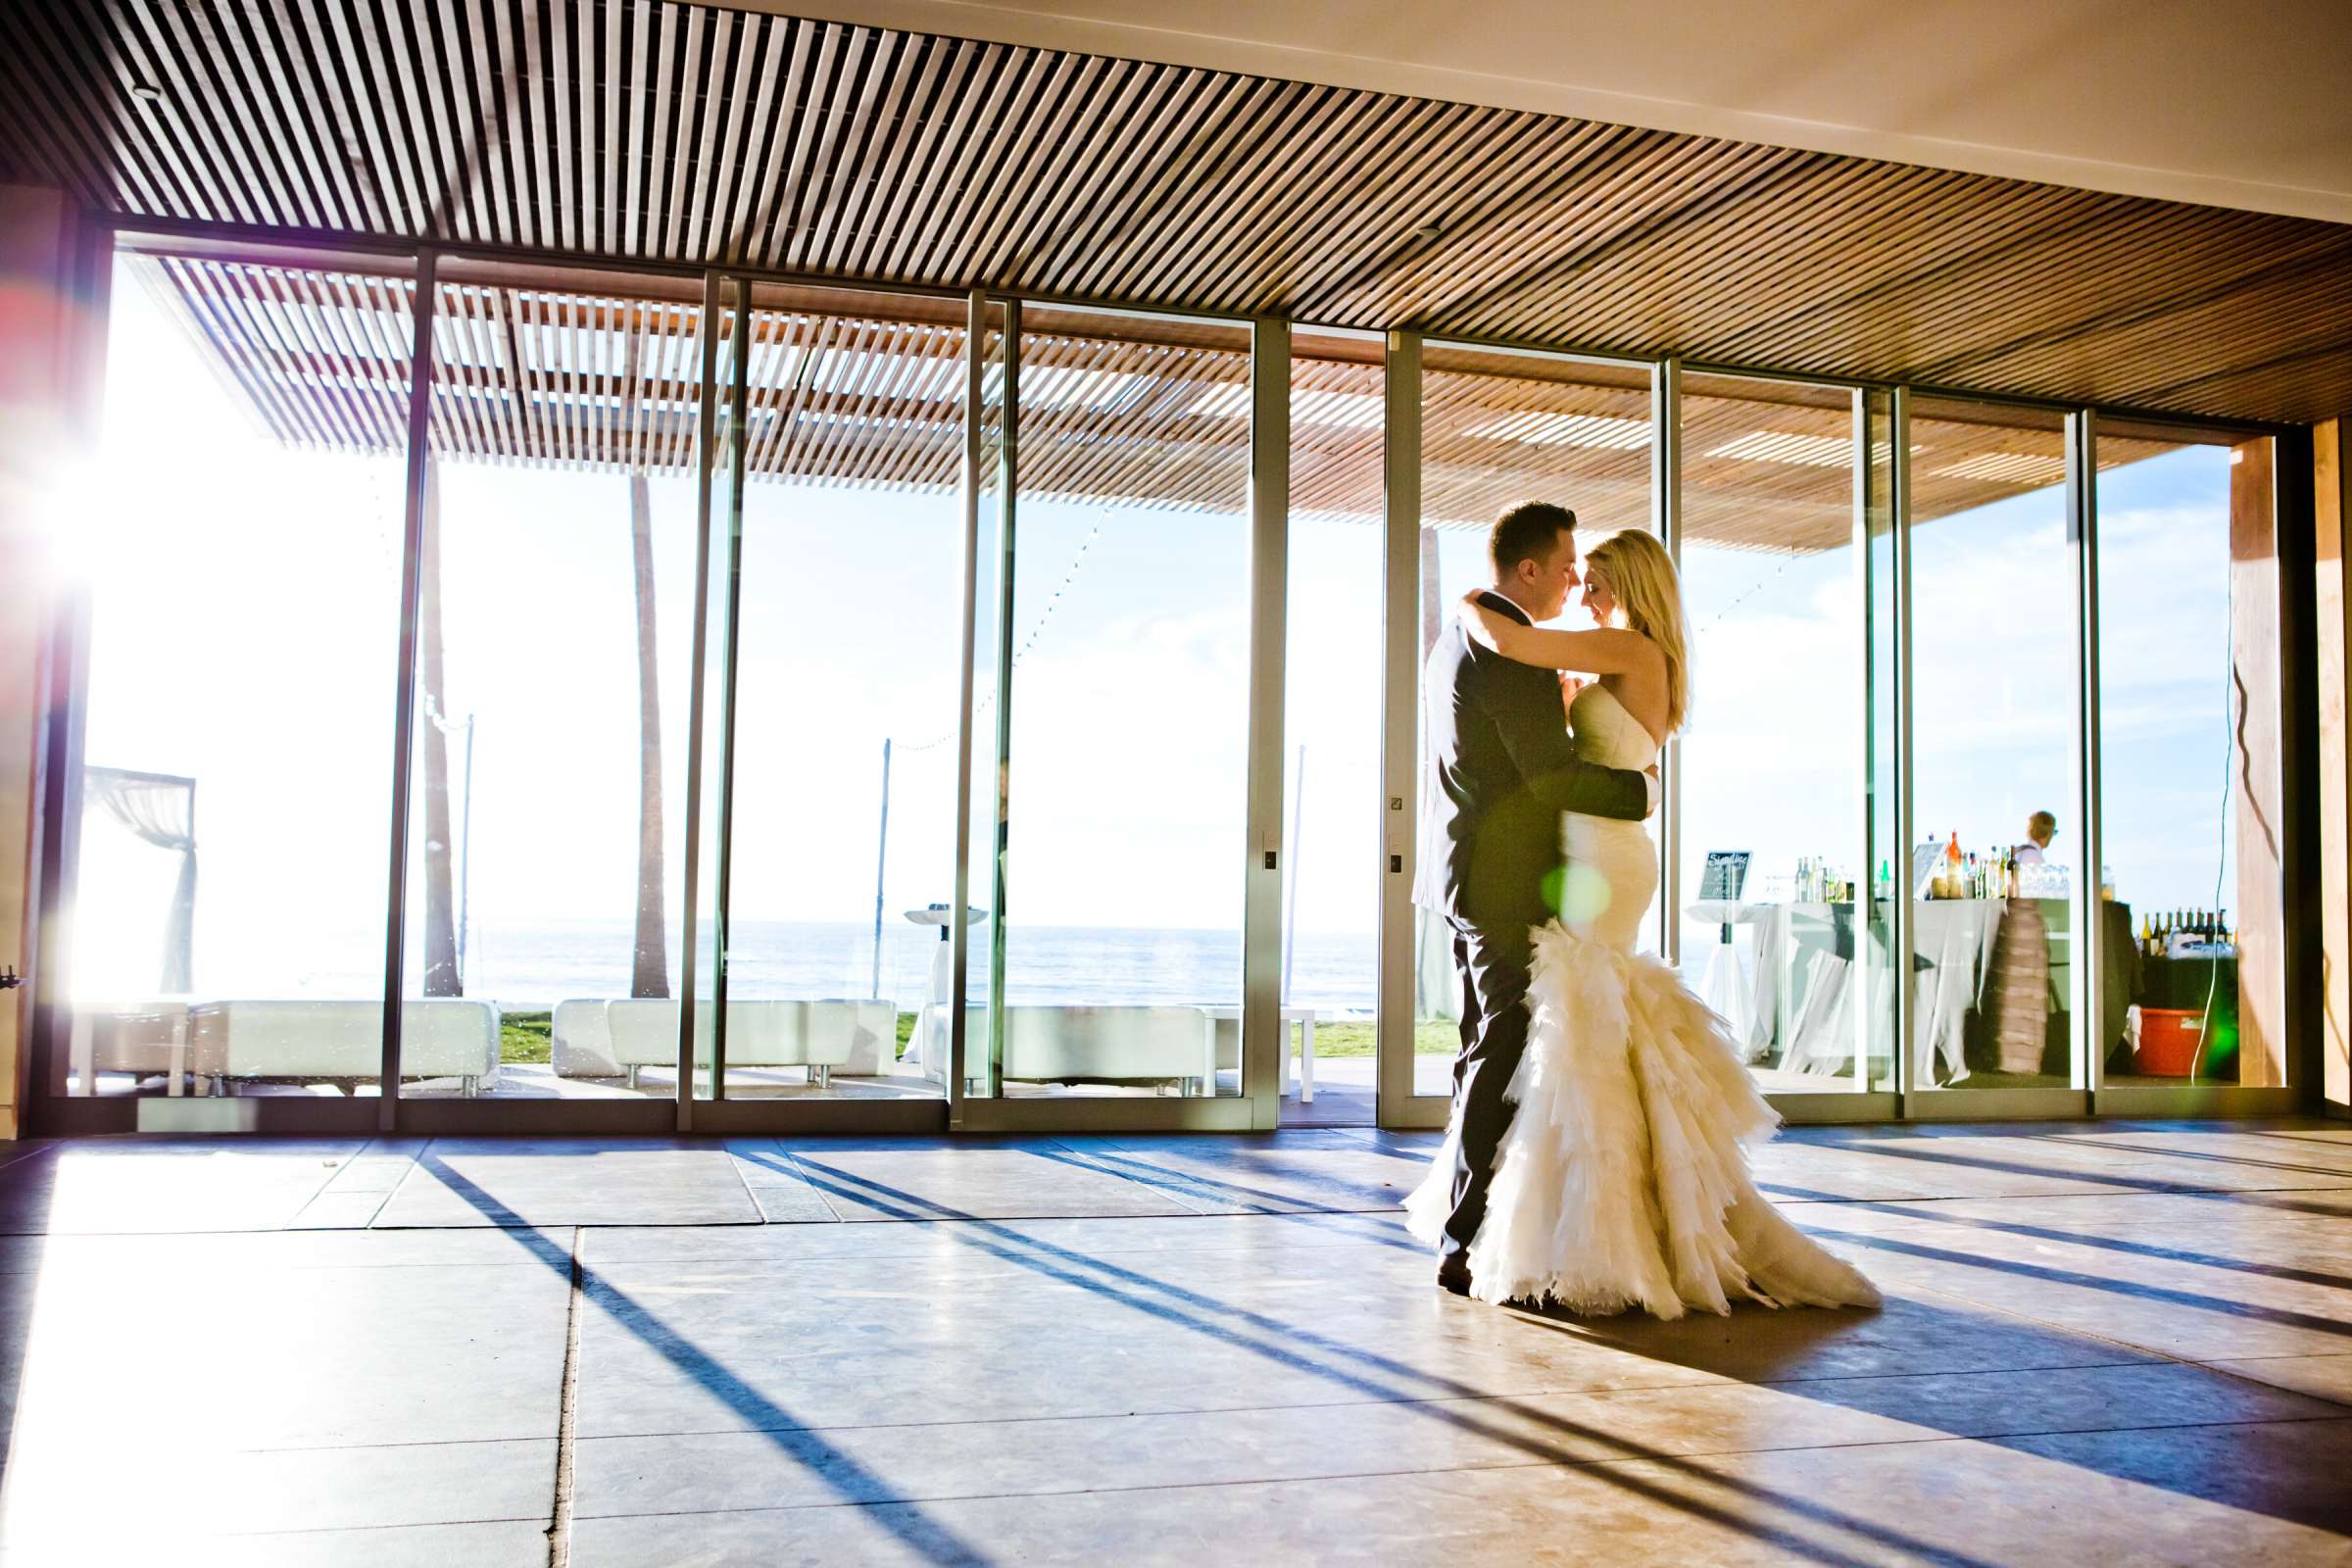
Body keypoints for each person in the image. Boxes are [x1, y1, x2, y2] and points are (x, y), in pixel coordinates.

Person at [1404, 525, 1880, 1320]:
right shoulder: (1616, 656)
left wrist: (1470, 605)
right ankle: (1569, 1214)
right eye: (1572, 574)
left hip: (1602, 852)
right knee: (1572, 1023)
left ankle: (1553, 1220)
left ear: (1626, 585)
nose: (1579, 590)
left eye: (1592, 579)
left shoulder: (1625, 650)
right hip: (1591, 849)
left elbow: (1516, 646)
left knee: (1565, 1020)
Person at [1412, 502, 1658, 1300]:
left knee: (1482, 1044)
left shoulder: (1465, 638)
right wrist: (1641, 791)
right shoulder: (1505, 648)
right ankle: (1466, 1237)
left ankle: (1477, 1219)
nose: (1570, 581)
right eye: (1564, 567)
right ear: (1527, 571)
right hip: (1506, 880)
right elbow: (1549, 777)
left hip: (1470, 874)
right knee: (1501, 1046)